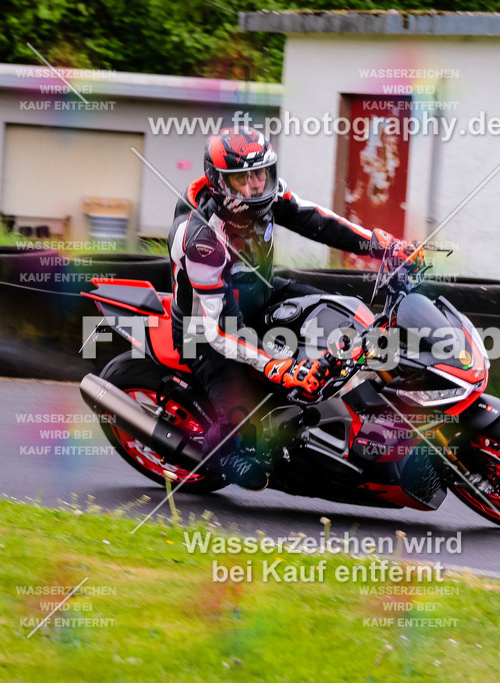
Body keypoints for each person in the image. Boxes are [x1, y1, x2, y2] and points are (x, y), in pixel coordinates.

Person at [169, 126, 422, 490]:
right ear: (219, 182)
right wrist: (279, 366)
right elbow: (220, 329)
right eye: (244, 178)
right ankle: (221, 455)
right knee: (245, 439)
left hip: (261, 292)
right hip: (205, 331)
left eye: (262, 173)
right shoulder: (200, 239)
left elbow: (314, 219)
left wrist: (378, 245)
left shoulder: (267, 193)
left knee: (345, 312)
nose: (257, 184)